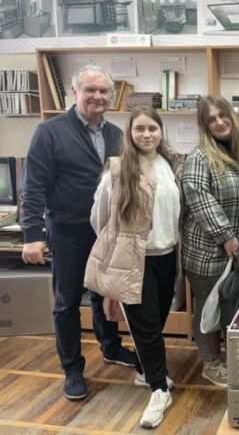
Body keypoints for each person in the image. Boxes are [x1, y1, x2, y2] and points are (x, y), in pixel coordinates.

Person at [19, 65, 135, 401]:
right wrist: (32, 234)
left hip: (106, 231)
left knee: (103, 292)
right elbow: (33, 186)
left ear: (111, 97)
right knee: (67, 301)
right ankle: (72, 368)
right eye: (90, 90)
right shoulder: (50, 132)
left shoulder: (117, 135)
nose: (98, 96)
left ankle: (111, 347)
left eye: (104, 91)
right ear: (75, 92)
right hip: (68, 231)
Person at [86, 106, 184, 429]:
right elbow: (99, 218)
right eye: (139, 128)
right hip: (134, 260)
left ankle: (144, 371)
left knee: (156, 322)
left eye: (152, 128)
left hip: (167, 256)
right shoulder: (117, 171)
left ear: (160, 131)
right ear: (129, 133)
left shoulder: (171, 165)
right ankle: (158, 390)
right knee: (147, 327)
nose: (146, 134)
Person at [182, 95, 239, 389]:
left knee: (232, 308)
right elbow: (200, 200)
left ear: (232, 116)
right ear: (204, 126)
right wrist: (226, 235)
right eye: (211, 119)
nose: (219, 122)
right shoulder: (199, 157)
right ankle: (211, 364)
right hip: (207, 254)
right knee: (208, 308)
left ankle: (232, 359)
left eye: (222, 115)